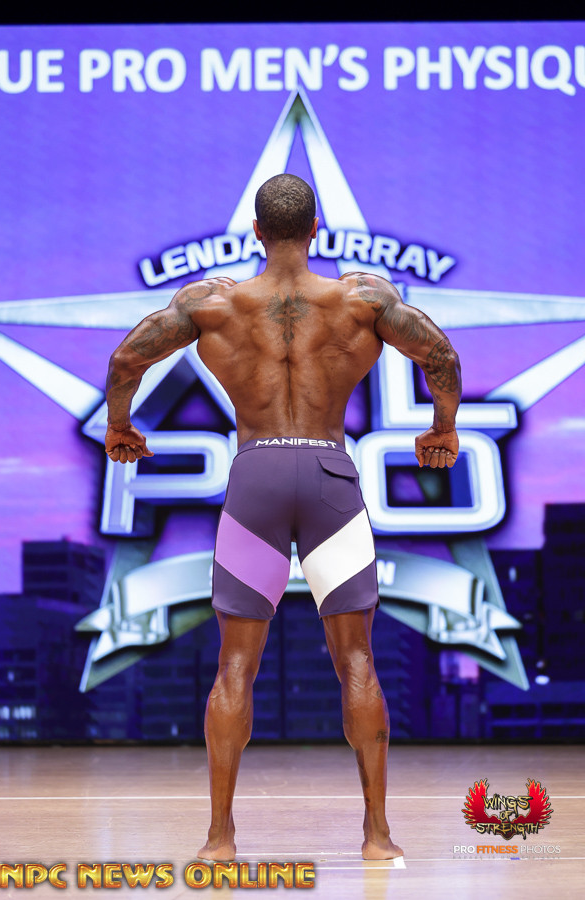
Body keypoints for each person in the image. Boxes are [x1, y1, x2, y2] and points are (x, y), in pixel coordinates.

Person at [104, 174, 461, 862]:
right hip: (328, 476)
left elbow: (126, 358)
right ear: (316, 229)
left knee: (235, 667)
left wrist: (121, 426)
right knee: (356, 659)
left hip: (257, 477)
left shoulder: (211, 303)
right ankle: (377, 836)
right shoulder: (362, 299)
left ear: (257, 232)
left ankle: (219, 839)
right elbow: (439, 354)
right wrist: (441, 429)